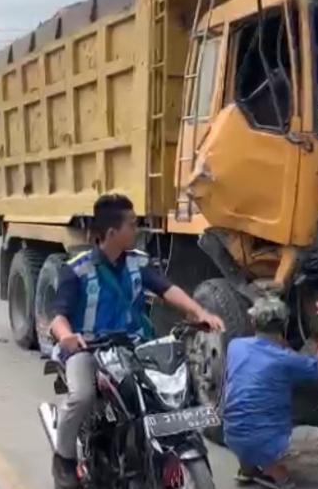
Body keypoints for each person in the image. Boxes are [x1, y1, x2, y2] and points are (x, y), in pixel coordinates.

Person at [48, 193, 225, 489]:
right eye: (132, 224)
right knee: (82, 397)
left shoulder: (137, 263)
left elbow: (168, 289)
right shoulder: (77, 268)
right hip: (88, 348)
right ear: (112, 233)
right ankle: (63, 461)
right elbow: (58, 316)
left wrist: (199, 312)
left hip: (133, 347)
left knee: (166, 394)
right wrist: (67, 336)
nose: (137, 229)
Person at [222, 296, 318, 488]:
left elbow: (270, 354)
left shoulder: (236, 346)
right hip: (266, 442)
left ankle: (248, 467)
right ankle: (277, 472)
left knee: (250, 419)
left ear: (253, 321)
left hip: (231, 436)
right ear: (285, 324)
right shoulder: (286, 360)